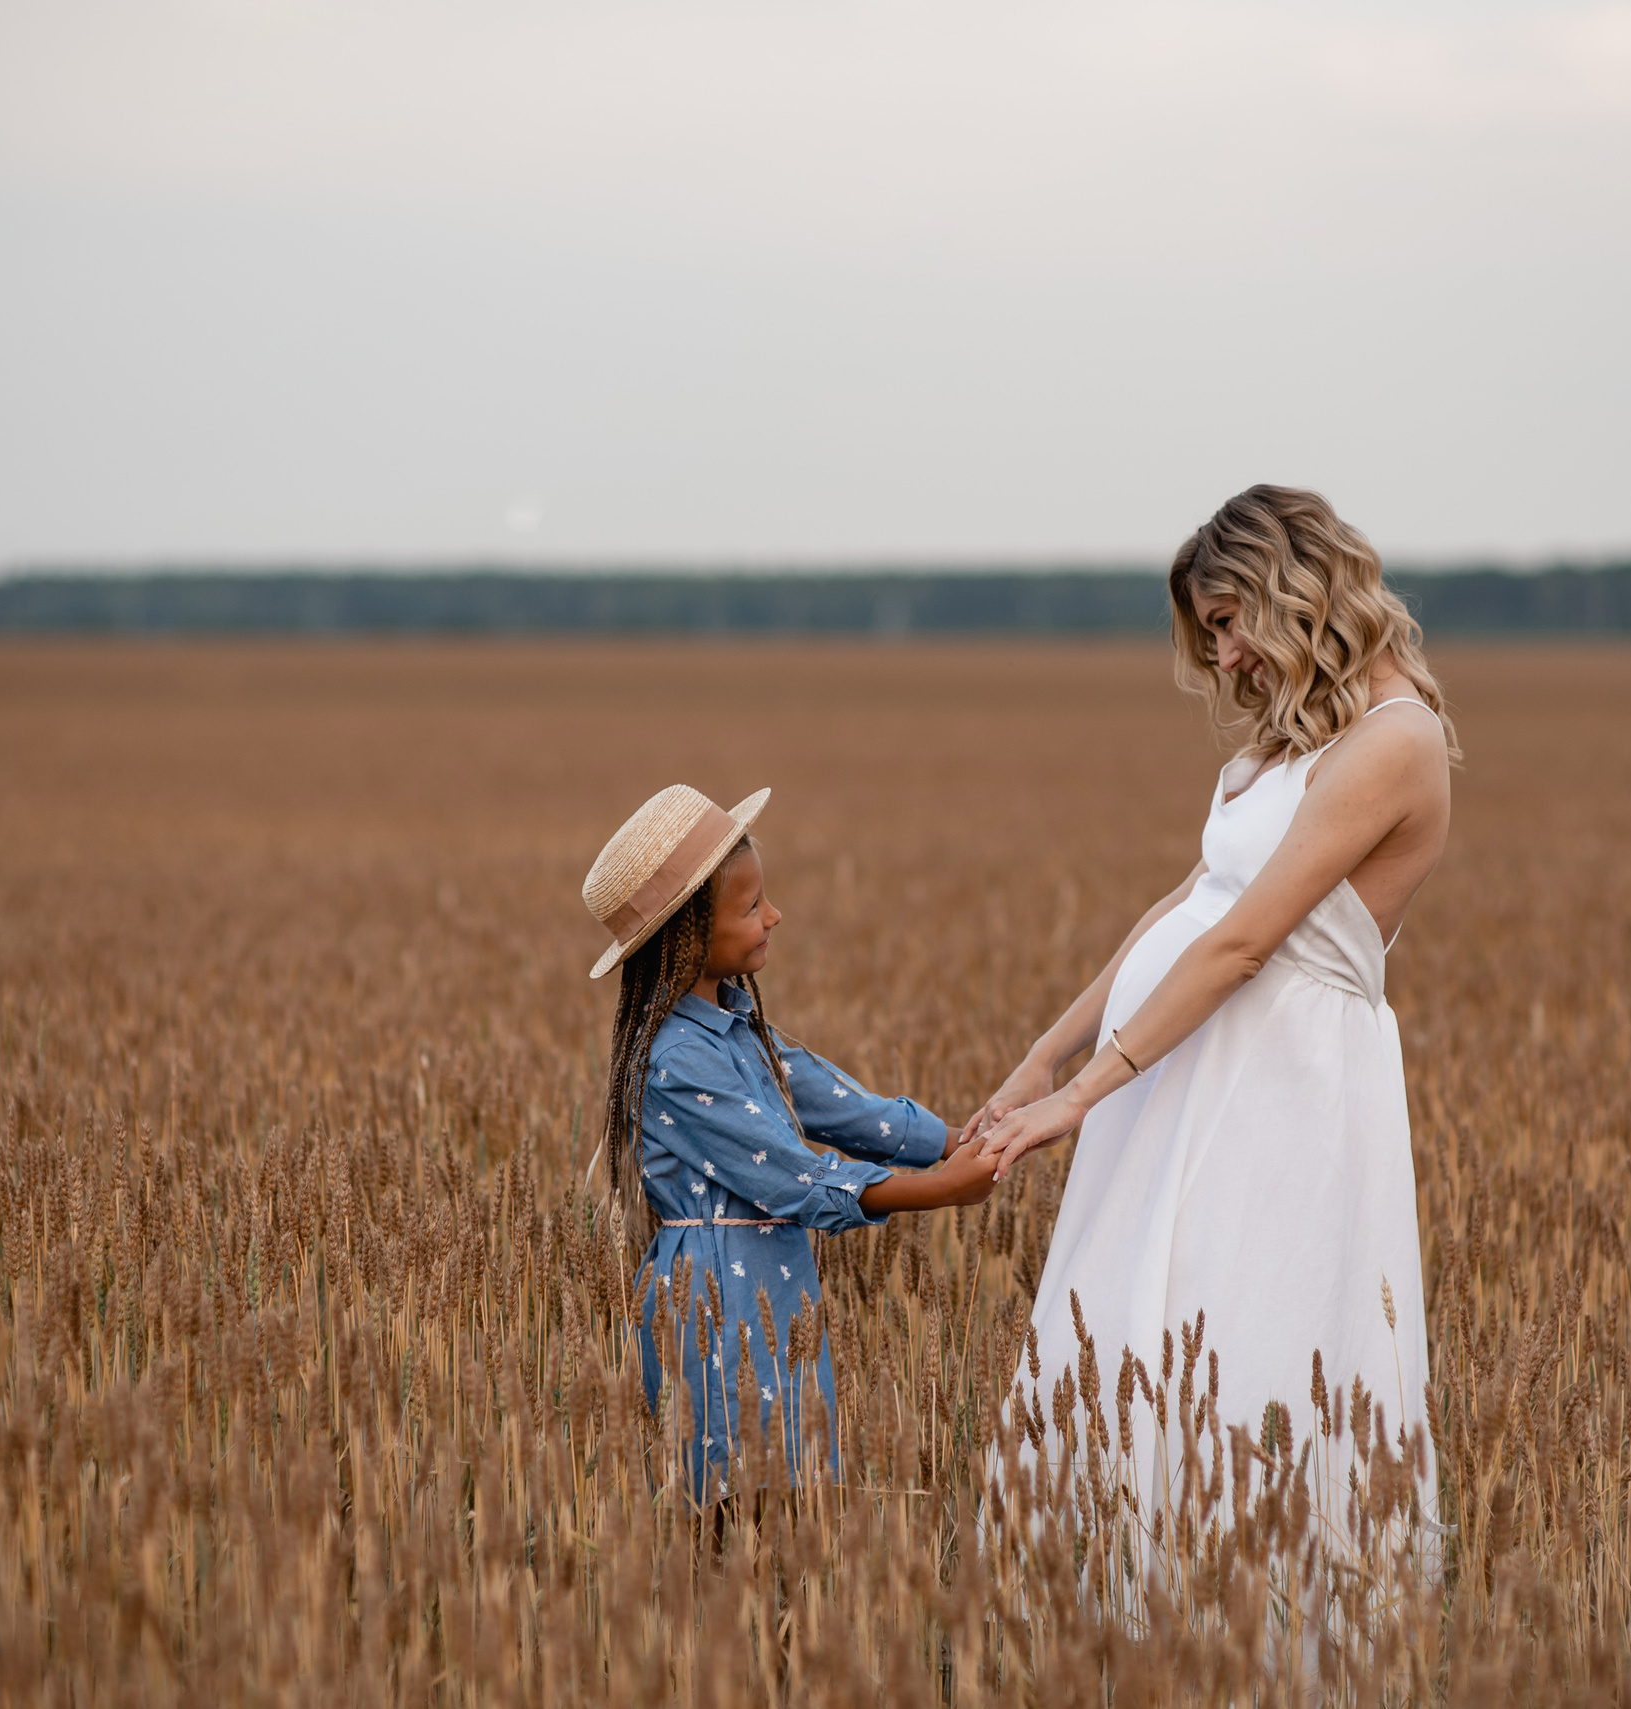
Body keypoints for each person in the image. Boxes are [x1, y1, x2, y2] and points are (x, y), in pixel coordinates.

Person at [969, 485, 1457, 1557]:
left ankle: (1237, 1609)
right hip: (1177, 1083)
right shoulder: (1293, 742)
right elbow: (1184, 909)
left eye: (1230, 620)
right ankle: (1113, 1600)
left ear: (1298, 587)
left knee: (1244, 1338)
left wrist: (1081, 1094)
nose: (1224, 656)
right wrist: (1038, 1060)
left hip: (1276, 1090)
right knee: (1139, 1324)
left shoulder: (1395, 739)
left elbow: (1243, 947)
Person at [584, 783, 1001, 1498]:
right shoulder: (677, 1060)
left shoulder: (737, 1023)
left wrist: (952, 1138)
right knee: (735, 1490)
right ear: (686, 934)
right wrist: (940, 1190)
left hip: (774, 1286)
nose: (774, 915)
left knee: (793, 1476)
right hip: (714, 1296)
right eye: (751, 908)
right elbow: (791, 1178)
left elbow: (838, 1103)